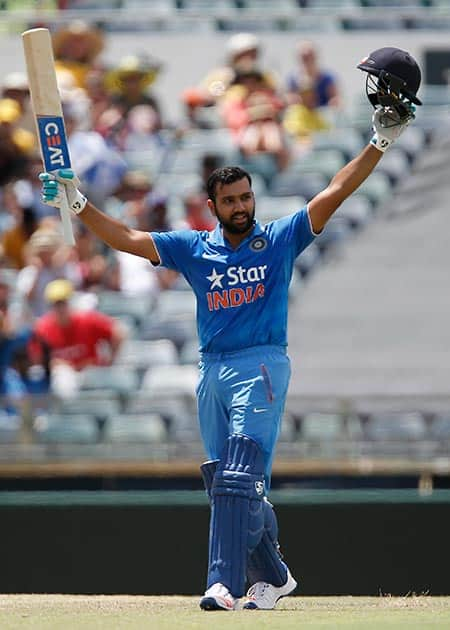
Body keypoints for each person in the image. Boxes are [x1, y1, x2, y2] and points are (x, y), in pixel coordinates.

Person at [39, 92, 413, 608]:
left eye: (246, 197)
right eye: (231, 201)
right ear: (213, 207)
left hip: (261, 362)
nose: (241, 207)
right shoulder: (195, 248)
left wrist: (378, 142)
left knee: (239, 475)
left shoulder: (279, 240)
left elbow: (335, 191)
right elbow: (125, 237)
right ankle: (276, 575)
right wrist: (77, 202)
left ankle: (223, 582)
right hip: (211, 369)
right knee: (230, 486)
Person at [30, 279, 125, 399]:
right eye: (55, 304)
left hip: (91, 372)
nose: (60, 308)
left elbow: (118, 333)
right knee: (63, 380)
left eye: (62, 302)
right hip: (65, 376)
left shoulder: (87, 320)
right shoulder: (43, 327)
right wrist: (50, 363)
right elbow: (36, 358)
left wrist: (111, 360)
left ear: (70, 301)